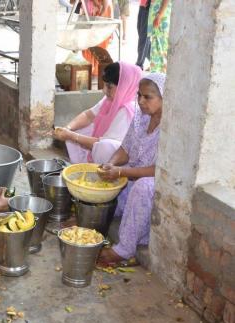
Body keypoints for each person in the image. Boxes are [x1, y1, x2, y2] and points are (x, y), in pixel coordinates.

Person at [97, 73, 165, 266]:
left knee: (143, 186)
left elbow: (157, 170)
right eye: (139, 95)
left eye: (148, 97)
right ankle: (96, 217)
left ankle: (124, 249)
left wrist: (121, 172)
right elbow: (125, 149)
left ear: (163, 98)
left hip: (155, 182)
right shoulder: (140, 118)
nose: (141, 101)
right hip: (134, 173)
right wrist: (112, 163)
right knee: (111, 173)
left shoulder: (170, 128)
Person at [53, 61, 142, 164]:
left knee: (104, 147)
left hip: (119, 161)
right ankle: (84, 162)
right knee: (79, 128)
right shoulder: (110, 100)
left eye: (109, 87)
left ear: (124, 85)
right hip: (102, 144)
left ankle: (102, 170)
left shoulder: (128, 110)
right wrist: (67, 128)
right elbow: (88, 115)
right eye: (104, 85)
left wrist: (71, 136)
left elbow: (102, 144)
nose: (104, 90)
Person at [81, 0, 113, 76]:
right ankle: (92, 71)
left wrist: (99, 17)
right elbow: (72, 2)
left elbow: (105, 6)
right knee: (86, 47)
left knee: (98, 47)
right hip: (91, 16)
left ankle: (96, 72)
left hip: (101, 18)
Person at [147, 0, 172, 73]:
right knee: (157, 50)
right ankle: (157, 76)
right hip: (158, 18)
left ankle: (158, 78)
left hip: (161, 20)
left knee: (160, 51)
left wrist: (159, 15)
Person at [135, 0, 151, 69]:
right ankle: (153, 60)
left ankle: (139, 64)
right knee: (143, 36)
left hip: (148, 7)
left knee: (143, 37)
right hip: (142, 6)